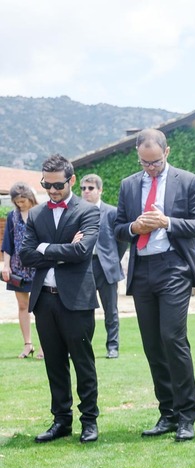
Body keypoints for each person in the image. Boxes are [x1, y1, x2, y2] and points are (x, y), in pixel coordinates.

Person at [114, 128, 195, 442]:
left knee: (173, 338)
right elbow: (117, 228)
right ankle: (166, 413)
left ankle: (186, 417)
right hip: (142, 269)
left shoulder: (188, 180)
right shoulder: (128, 185)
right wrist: (133, 226)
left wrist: (168, 222)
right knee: (153, 344)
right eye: (145, 163)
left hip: (174, 267)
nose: (150, 168)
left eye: (155, 162)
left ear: (166, 152)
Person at [18, 155, 101, 443]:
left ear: (72, 180)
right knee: (54, 363)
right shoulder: (37, 214)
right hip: (44, 301)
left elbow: (82, 253)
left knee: (83, 362)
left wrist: (44, 249)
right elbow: (25, 255)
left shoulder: (88, 211)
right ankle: (61, 421)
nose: (52, 190)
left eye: (57, 185)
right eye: (46, 185)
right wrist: (62, 248)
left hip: (76, 300)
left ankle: (89, 421)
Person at [79, 174, 125, 359]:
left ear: (100, 190)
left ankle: (112, 347)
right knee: (84, 310)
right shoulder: (77, 213)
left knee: (111, 310)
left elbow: (122, 242)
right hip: (84, 267)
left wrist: (112, 259)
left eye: (90, 188)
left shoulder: (112, 212)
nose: (86, 192)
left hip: (107, 267)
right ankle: (83, 347)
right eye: (83, 188)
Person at [2, 182, 42, 359]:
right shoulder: (12, 216)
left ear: (30, 197)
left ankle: (44, 345)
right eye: (17, 202)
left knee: (42, 307)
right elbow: (8, 243)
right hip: (18, 269)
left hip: (39, 266)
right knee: (22, 306)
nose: (21, 204)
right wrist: (6, 265)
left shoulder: (42, 213)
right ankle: (28, 344)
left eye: (23, 200)